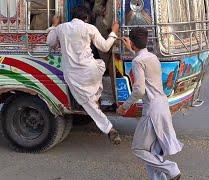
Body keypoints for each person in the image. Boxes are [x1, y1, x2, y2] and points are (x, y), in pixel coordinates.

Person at [46, 6, 121, 145]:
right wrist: (114, 33)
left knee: (88, 103)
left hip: (74, 74)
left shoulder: (61, 28)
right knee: (94, 88)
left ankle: (109, 129)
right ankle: (99, 106)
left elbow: (49, 42)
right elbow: (104, 47)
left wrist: (53, 25)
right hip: (92, 69)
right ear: (86, 18)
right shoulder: (90, 28)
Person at [117, 27, 183, 180]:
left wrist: (124, 106)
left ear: (132, 43)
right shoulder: (152, 57)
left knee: (138, 148)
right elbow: (142, 60)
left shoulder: (137, 61)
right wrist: (132, 50)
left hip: (152, 109)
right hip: (162, 105)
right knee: (152, 152)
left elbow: (139, 90)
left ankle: (171, 168)